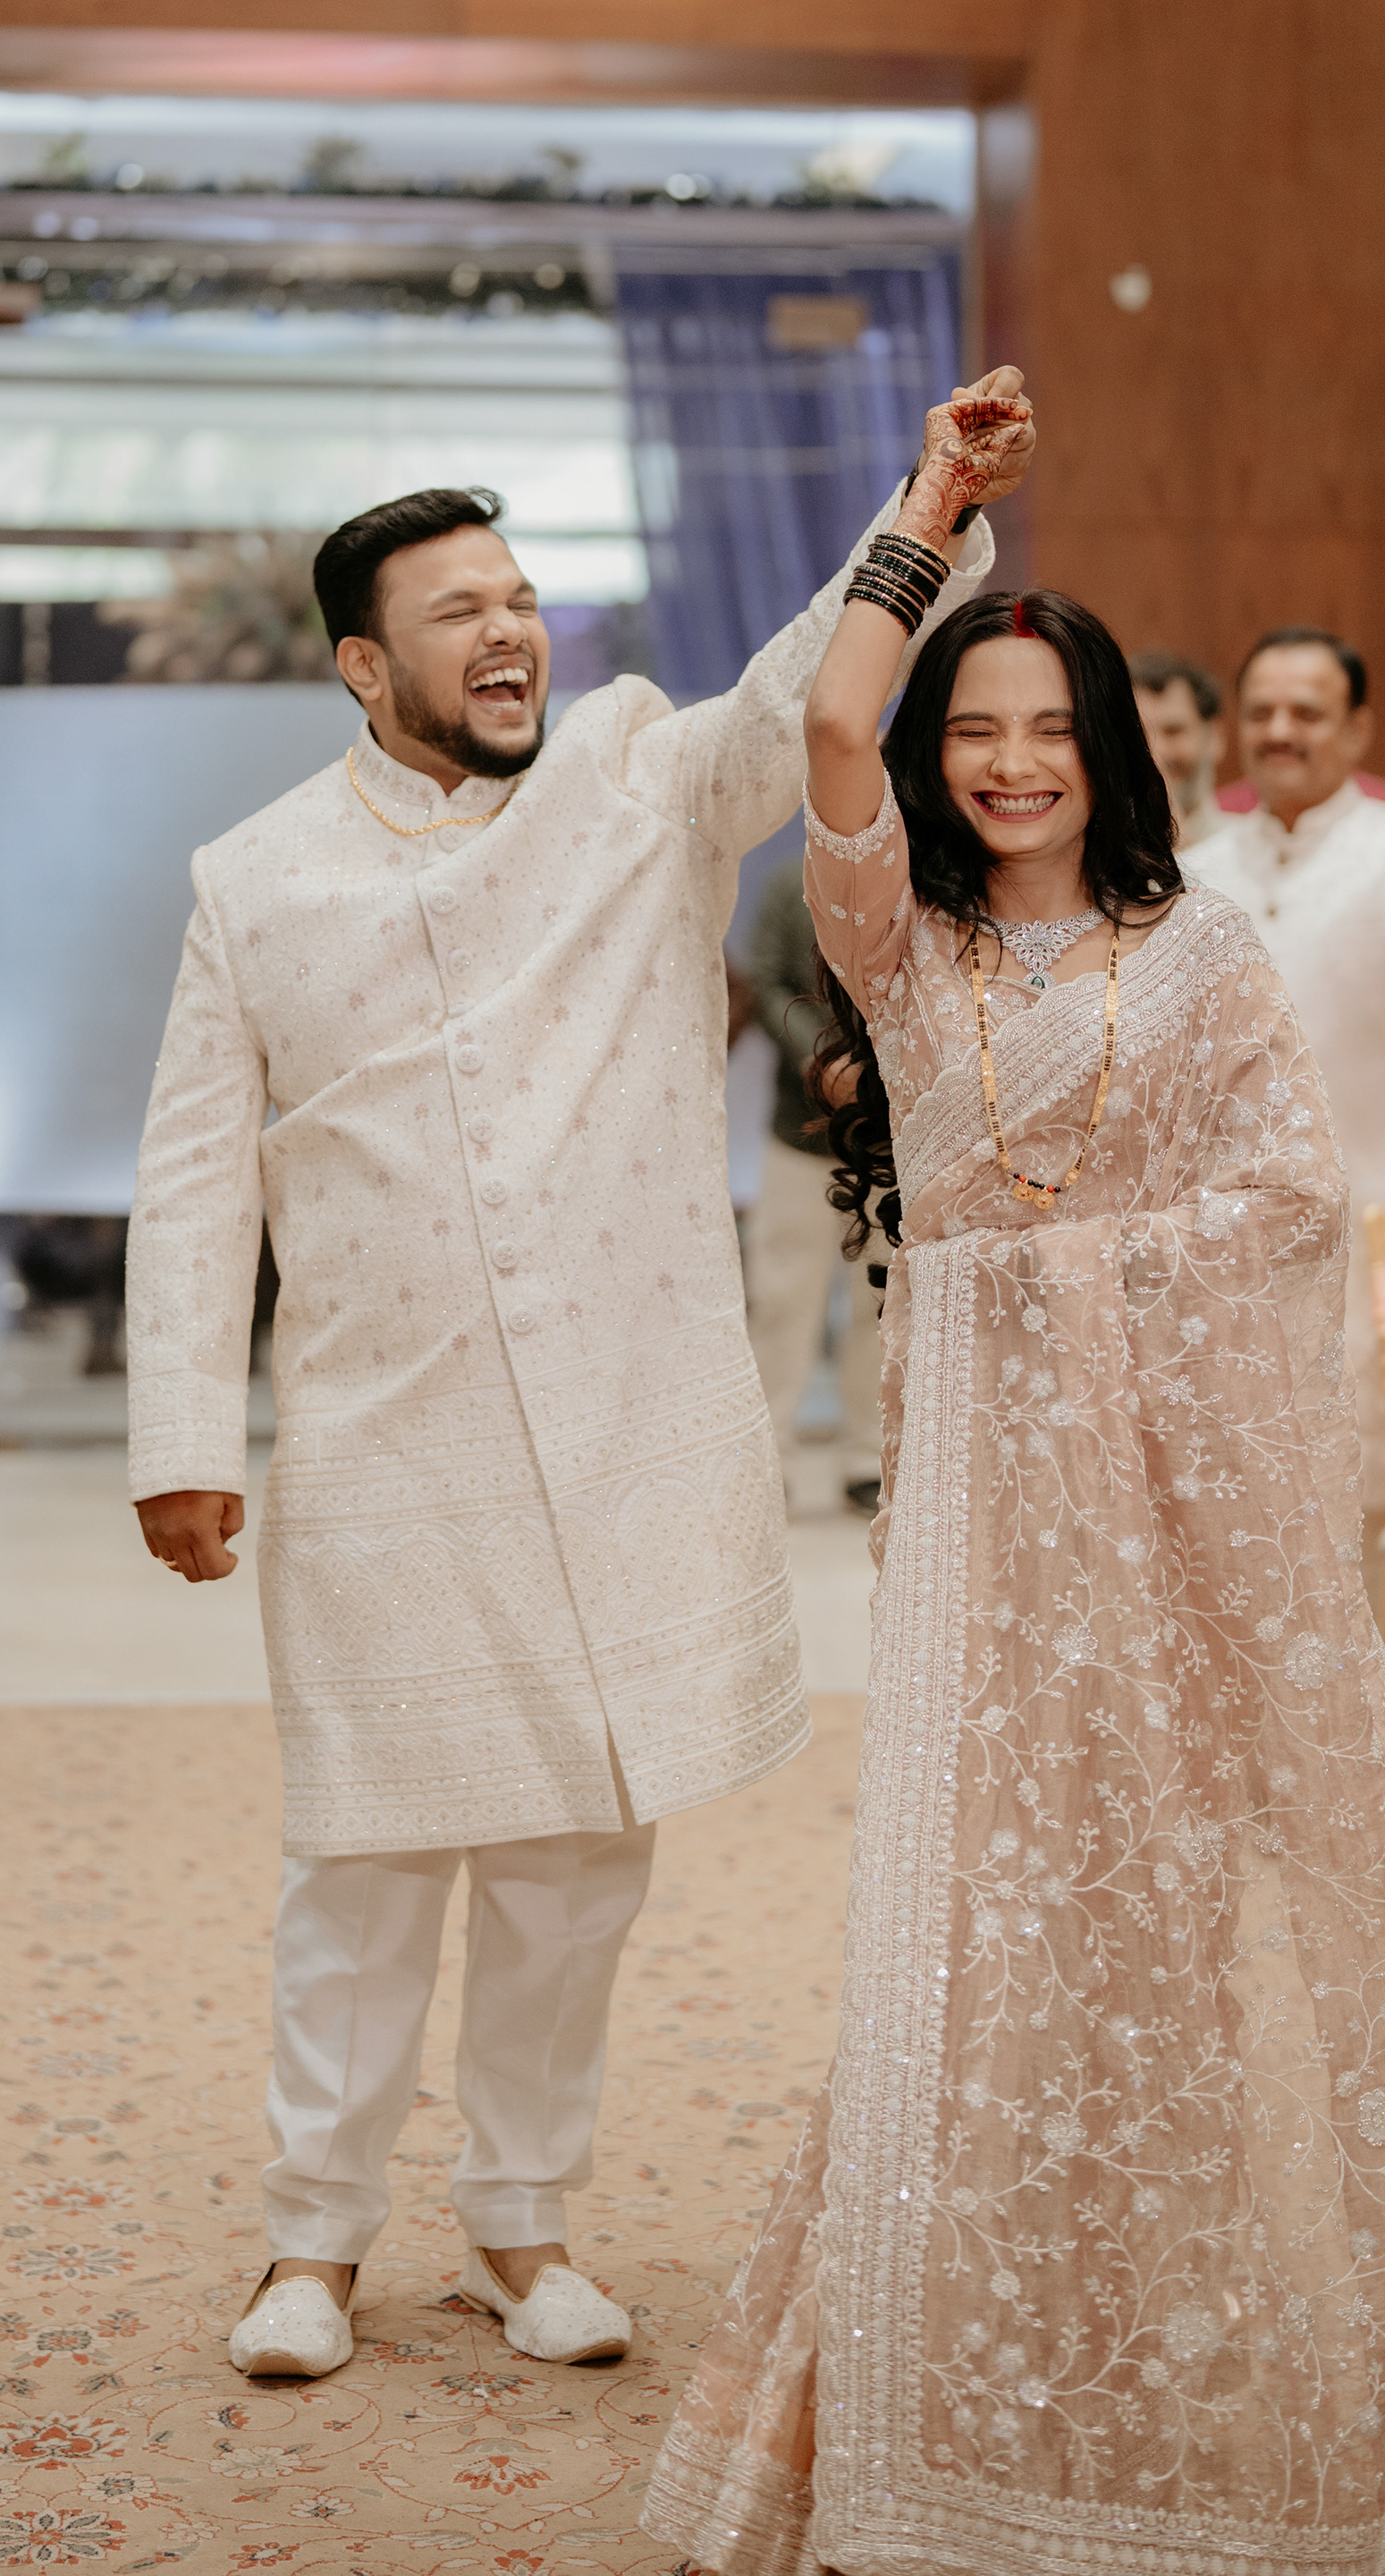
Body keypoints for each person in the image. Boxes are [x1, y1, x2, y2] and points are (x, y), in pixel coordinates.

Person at [640, 402, 1385, 2576]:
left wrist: (1064, 1270)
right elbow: (834, 722)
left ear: (1112, 750)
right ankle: (942, 2379)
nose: (1010, 764)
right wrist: (931, 513)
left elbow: (1289, 1200)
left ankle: (1173, 2354)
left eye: (1053, 728)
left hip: (1174, 1506)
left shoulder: (1203, 949)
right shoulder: (899, 944)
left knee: (1166, 1918)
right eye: (978, 730)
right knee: (968, 1926)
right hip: (979, 1526)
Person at [125, 455, 1000, 2381]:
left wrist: (927, 508)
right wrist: (181, 1436)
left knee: (577, 1861)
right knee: (363, 1859)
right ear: (366, 666)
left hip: (615, 1430)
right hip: (379, 1437)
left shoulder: (636, 782)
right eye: (461, 610)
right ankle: (311, 2242)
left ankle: (525, 2226)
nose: (509, 629)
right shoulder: (253, 877)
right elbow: (193, 1171)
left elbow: (796, 696)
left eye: (521, 598)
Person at [1192, 625, 1385, 1512]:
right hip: (1219, 1240)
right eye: (1262, 713)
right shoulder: (1192, 873)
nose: (1281, 731)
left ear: (1358, 729)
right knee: (1229, 1496)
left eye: (1307, 713)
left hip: (1371, 1239)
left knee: (1363, 1501)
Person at [743, 853, 883, 1513]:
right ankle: (768, 1459)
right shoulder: (787, 881)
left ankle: (869, 1458)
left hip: (889, 1135)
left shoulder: (914, 870)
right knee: (780, 1298)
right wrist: (821, 1057)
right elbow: (767, 980)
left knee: (881, 1302)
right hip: (797, 1131)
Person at [1127, 648, 1226, 846]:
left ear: (1214, 738)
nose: (1155, 753)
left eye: (1173, 731)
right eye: (1138, 735)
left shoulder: (1256, 850)